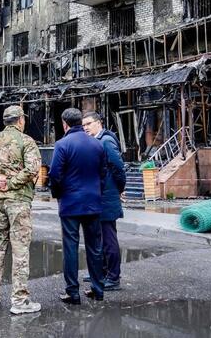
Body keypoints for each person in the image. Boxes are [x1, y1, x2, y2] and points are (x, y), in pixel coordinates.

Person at [0, 105, 42, 314]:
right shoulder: (26, 141)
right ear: (21, 121)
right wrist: (13, 182)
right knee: (20, 249)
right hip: (19, 202)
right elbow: (33, 168)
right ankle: (19, 300)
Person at [48, 108, 106, 304]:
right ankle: (98, 289)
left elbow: (54, 175)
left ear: (65, 124)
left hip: (70, 203)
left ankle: (72, 292)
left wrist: (57, 194)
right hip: (93, 203)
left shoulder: (62, 144)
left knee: (71, 247)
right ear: (81, 122)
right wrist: (98, 193)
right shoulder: (97, 144)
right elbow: (103, 173)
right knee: (95, 247)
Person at [82, 111, 126, 290]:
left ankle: (113, 278)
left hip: (107, 196)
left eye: (89, 124)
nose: (85, 128)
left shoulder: (106, 141)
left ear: (99, 123)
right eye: (83, 125)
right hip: (99, 196)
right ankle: (101, 272)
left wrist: (118, 189)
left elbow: (118, 168)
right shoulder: (96, 141)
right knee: (100, 237)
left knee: (108, 238)